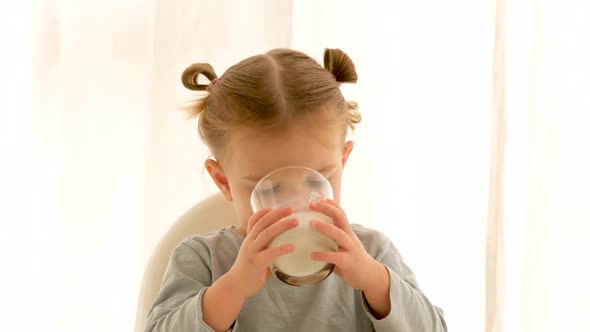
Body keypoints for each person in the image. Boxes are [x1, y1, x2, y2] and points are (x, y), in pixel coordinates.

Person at [145, 48, 447, 331]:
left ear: (342, 161)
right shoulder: (203, 260)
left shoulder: (371, 252)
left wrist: (376, 283)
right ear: (223, 180)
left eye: (316, 179)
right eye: (271, 187)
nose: (295, 204)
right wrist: (231, 289)